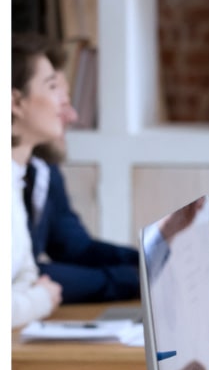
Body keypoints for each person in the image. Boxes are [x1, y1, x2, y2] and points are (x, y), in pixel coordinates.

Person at [23, 37, 141, 304]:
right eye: (60, 101)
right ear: (16, 103)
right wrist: (129, 279)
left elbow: (74, 247)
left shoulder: (44, 169)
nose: (72, 116)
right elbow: (22, 278)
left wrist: (146, 261)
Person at [12, 33, 64, 328]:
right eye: (52, 86)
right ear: (15, 102)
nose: (63, 101)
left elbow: (27, 275)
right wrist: (40, 299)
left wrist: (26, 298)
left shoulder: (15, 179)